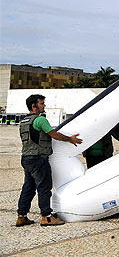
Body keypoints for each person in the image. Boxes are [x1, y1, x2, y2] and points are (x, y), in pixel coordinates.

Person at [16, 94, 82, 227]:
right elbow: (54, 135)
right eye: (41, 103)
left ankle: (21, 216)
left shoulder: (24, 121)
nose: (44, 106)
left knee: (28, 188)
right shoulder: (40, 120)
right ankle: (47, 217)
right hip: (38, 158)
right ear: (34, 106)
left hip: (26, 158)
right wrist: (70, 139)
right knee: (44, 187)